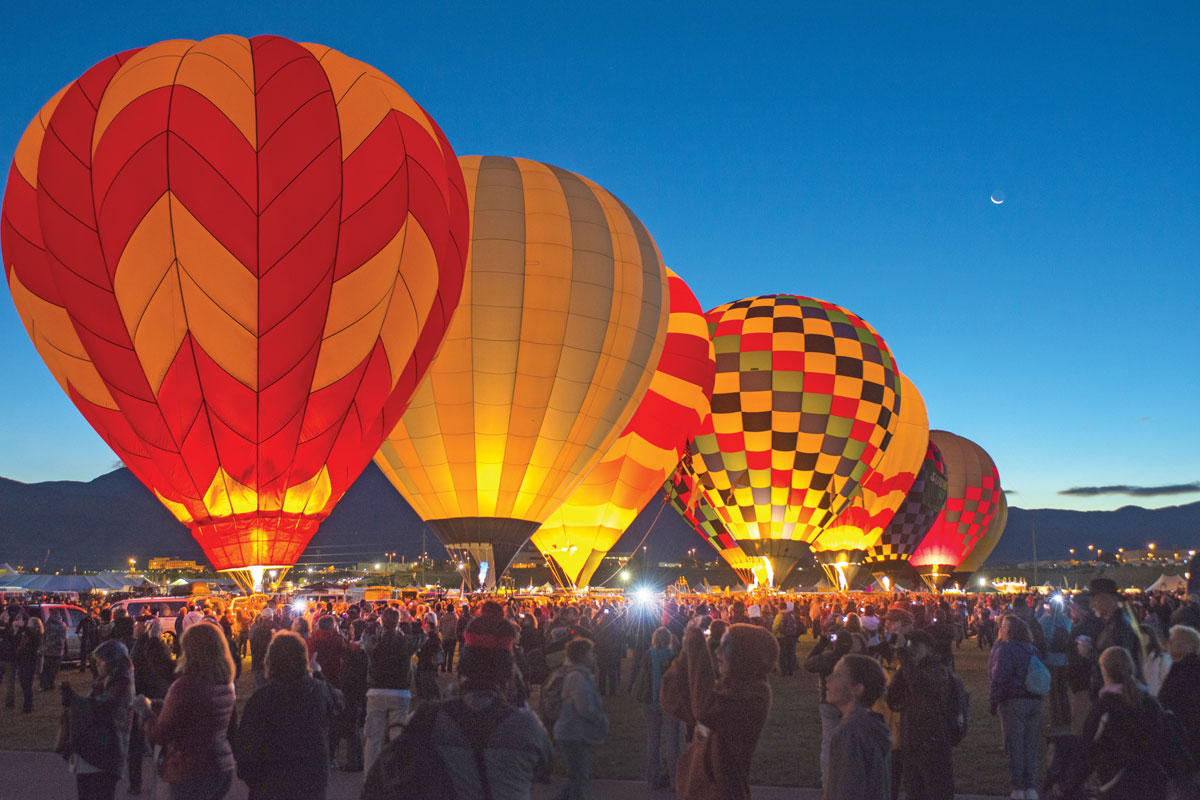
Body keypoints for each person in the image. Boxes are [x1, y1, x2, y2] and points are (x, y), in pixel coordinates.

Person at [362, 610, 552, 800]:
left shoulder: (429, 720)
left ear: (464, 663)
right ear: (508, 671)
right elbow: (544, 768)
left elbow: (385, 780)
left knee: (375, 738)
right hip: (399, 692)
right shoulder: (526, 726)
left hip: (380, 693)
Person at [660, 619, 779, 800]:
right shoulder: (725, 689)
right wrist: (686, 654)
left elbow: (704, 710)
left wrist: (697, 648)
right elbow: (671, 698)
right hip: (698, 790)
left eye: (726, 648)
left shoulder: (754, 696)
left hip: (724, 792)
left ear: (743, 656)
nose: (717, 653)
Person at [234, 630, 343, 800]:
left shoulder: (263, 698)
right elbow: (338, 709)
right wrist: (318, 675)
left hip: (272, 782)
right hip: (311, 778)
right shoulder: (318, 692)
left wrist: (252, 777)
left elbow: (246, 747)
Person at [140, 621, 237, 800]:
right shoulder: (225, 684)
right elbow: (199, 717)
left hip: (190, 769)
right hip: (221, 765)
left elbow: (160, 734)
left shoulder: (185, 686)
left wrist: (145, 712)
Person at [1078, 646, 1169, 799]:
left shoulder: (1105, 706)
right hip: (1151, 779)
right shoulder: (1149, 702)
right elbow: (1160, 736)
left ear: (1104, 671)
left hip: (1116, 781)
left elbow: (1088, 743)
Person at [885, 629, 955, 800]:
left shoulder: (938, 669)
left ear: (929, 648)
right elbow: (892, 697)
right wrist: (903, 665)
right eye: (909, 645)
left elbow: (920, 685)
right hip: (911, 742)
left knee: (936, 792)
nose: (911, 649)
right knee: (914, 792)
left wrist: (903, 655)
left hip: (933, 742)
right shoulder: (909, 669)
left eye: (916, 645)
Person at [60, 639, 135, 800]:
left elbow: (101, 707)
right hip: (95, 753)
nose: (99, 665)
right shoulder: (105, 681)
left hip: (105, 754)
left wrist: (73, 700)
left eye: (102, 661)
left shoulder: (121, 683)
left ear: (113, 662)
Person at [362, 606, 424, 777]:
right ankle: (396, 777)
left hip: (377, 691)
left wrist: (370, 626)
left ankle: (370, 778)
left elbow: (364, 639)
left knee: (373, 739)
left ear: (382, 622)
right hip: (399, 692)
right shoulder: (405, 642)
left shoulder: (374, 642)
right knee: (398, 737)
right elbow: (422, 638)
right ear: (398, 623)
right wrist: (415, 623)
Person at [989, 615, 1044, 800]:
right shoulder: (1032, 649)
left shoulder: (1006, 649)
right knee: (1030, 745)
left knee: (1015, 746)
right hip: (1035, 700)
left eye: (1004, 627)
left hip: (1014, 701)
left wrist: (994, 701)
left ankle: (1017, 788)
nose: (1001, 629)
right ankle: (1031, 787)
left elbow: (998, 676)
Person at [825, 653, 891, 800]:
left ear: (857, 689)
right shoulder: (872, 725)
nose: (827, 679)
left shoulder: (850, 732)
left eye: (837, 675)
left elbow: (848, 789)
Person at [554, 637, 609, 800]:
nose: (593, 656)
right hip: (573, 732)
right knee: (579, 777)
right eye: (590, 653)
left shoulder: (578, 675)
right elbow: (584, 706)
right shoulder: (577, 677)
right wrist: (600, 719)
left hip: (574, 731)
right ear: (582, 655)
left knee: (576, 776)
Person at [128, 618, 175, 795]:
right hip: (149, 697)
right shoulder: (153, 648)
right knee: (147, 745)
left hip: (146, 698)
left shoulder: (141, 648)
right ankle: (148, 782)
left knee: (143, 745)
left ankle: (140, 784)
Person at [633, 626, 683, 791]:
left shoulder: (648, 656)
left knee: (652, 742)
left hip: (650, 700)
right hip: (669, 703)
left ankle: (653, 780)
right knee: (673, 743)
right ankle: (675, 781)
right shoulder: (674, 657)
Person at [1158, 625, 1200, 788]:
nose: (1168, 643)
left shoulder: (1190, 671)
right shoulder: (1180, 667)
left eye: (1173, 640)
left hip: (1186, 741)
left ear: (1187, 645)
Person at [15, 613, 43, 713]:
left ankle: (28, 706)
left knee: (27, 684)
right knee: (23, 683)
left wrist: (23, 626)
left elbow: (33, 639)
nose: (28, 623)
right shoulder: (27, 633)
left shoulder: (36, 635)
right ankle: (28, 705)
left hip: (29, 661)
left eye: (30, 622)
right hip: (23, 659)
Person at [414, 618, 442, 702]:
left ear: (431, 628)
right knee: (427, 680)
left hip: (427, 662)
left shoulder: (430, 638)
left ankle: (428, 697)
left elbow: (427, 650)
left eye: (427, 626)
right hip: (427, 662)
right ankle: (429, 696)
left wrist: (420, 651)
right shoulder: (431, 637)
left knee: (427, 680)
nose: (425, 628)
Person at [1140, 624, 1172, 696]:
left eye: (1141, 634)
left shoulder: (1162, 658)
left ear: (1150, 637)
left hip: (1157, 701)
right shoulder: (1134, 658)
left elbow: (1167, 682)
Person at [40, 610, 68, 690]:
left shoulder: (46, 625)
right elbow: (62, 639)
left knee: (46, 669)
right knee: (54, 670)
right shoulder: (62, 625)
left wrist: (44, 647)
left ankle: (45, 685)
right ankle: (51, 684)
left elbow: (43, 637)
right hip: (57, 651)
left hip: (48, 651)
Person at [248, 608, 275, 689]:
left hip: (258, 661)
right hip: (267, 662)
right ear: (271, 617)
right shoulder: (272, 628)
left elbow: (252, 643)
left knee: (260, 687)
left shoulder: (256, 628)